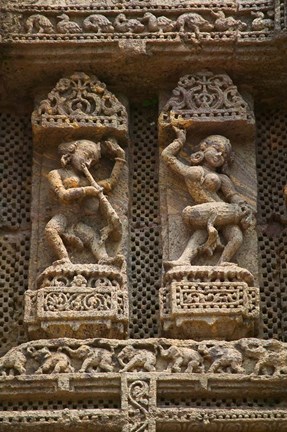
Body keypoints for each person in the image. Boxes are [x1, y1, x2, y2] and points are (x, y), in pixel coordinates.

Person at [162, 126, 255, 266]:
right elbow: (167, 157)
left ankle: (219, 264)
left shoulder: (222, 178)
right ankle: (184, 260)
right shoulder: (195, 171)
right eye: (216, 149)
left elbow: (232, 195)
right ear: (204, 148)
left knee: (236, 237)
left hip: (223, 213)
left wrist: (243, 204)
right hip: (202, 211)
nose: (219, 155)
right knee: (213, 221)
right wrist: (180, 141)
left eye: (223, 156)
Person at [45, 138, 125, 265]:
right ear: (71, 153)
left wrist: (121, 157)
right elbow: (63, 195)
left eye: (92, 161)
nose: (88, 163)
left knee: (93, 236)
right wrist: (88, 190)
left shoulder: (86, 180)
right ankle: (65, 259)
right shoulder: (56, 174)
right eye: (87, 156)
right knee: (51, 230)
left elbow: (110, 183)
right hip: (62, 216)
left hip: (75, 223)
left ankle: (104, 259)